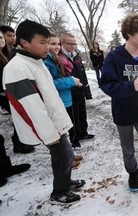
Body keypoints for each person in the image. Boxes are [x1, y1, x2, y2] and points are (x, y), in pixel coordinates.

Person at [2, 19, 85, 204]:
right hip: (46, 125)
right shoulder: (16, 68)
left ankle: (66, 182)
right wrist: (48, 133)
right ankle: (59, 192)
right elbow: (30, 107)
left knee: (65, 155)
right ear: (24, 42)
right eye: (42, 42)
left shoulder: (36, 61)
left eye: (48, 42)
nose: (48, 47)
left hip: (54, 120)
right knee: (63, 156)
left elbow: (49, 95)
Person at [100, 13, 138, 196]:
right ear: (129, 33)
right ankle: (133, 174)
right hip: (123, 113)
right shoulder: (114, 57)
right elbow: (106, 85)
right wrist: (131, 86)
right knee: (128, 150)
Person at [43, 33, 83, 167]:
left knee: (64, 131)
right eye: (52, 44)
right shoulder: (46, 61)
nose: (56, 47)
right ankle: (63, 160)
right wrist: (71, 81)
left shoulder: (57, 58)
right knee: (58, 132)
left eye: (58, 44)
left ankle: (68, 155)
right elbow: (50, 83)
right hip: (58, 99)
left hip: (66, 98)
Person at [0, 30, 35, 154]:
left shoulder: (6, 53)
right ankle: (19, 143)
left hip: (10, 91)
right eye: (7, 36)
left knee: (19, 114)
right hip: (5, 93)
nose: (2, 40)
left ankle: (20, 141)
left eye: (2, 37)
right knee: (19, 113)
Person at [60, 33, 94, 148]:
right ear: (63, 44)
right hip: (69, 91)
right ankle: (74, 138)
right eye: (71, 44)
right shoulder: (60, 57)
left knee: (82, 113)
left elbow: (83, 74)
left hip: (80, 89)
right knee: (73, 115)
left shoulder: (76, 56)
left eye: (75, 43)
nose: (74, 46)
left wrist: (87, 91)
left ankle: (83, 133)